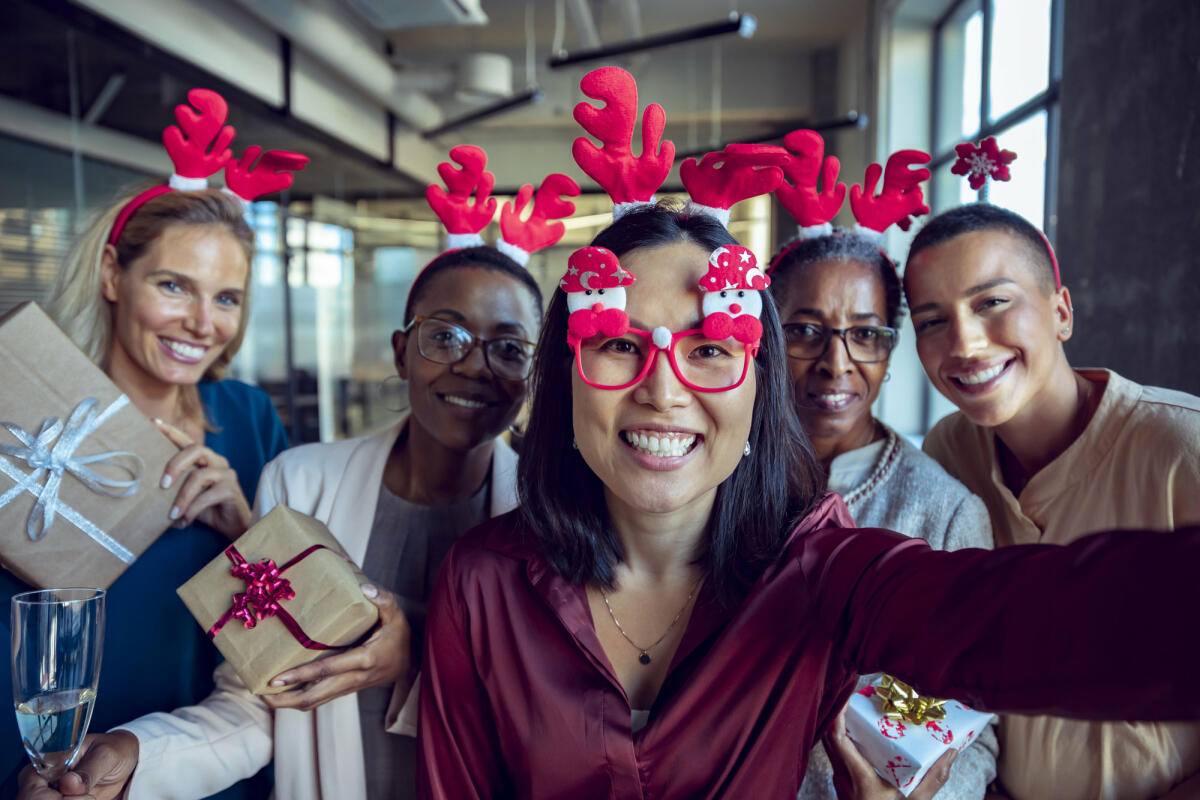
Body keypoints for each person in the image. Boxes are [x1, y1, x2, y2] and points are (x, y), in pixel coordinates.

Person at [415, 203, 1200, 800]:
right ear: (565, 376)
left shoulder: (818, 562)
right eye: (621, 345)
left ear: (758, 391)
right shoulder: (481, 582)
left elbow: (1004, 622)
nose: (663, 392)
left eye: (710, 350)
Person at [17, 245, 545, 800]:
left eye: (509, 348)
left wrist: (415, 662)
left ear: (533, 373)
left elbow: (551, 724)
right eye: (444, 335)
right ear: (400, 352)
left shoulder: (550, 525)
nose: (472, 365)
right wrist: (135, 758)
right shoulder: (302, 486)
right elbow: (256, 704)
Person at [903, 202, 1200, 800]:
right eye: (932, 320)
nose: (964, 342)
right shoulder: (947, 453)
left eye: (993, 302)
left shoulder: (1180, 448)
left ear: (1061, 311)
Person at [0, 185, 287, 799]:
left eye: (227, 298)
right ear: (111, 274)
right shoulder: (31, 424)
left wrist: (245, 528)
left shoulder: (249, 419)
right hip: (46, 774)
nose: (203, 324)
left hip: (213, 770)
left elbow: (293, 638)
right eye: (174, 286)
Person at [769, 232, 997, 800]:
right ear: (766, 337)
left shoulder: (945, 513)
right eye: (803, 330)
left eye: (865, 334)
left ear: (890, 349)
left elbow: (980, 729)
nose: (835, 362)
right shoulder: (717, 481)